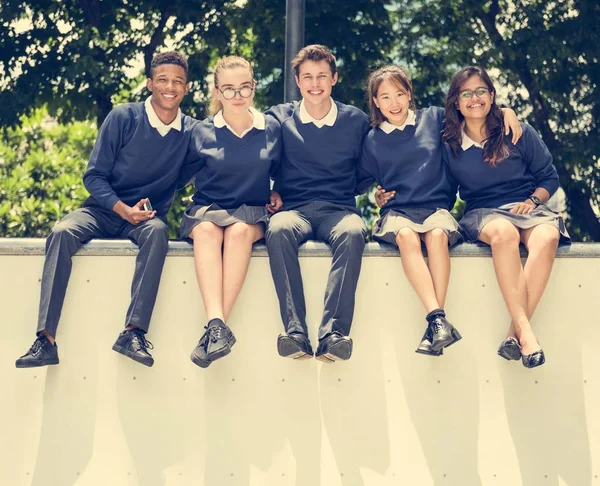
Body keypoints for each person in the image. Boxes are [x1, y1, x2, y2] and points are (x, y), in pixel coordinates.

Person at [15, 51, 200, 368]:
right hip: (101, 210)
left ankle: (133, 333)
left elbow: (196, 174)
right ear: (149, 84)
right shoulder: (123, 117)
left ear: (186, 88)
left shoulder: (192, 131)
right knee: (61, 233)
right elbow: (94, 175)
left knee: (158, 235)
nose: (170, 87)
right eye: (163, 80)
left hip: (145, 218)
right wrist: (121, 208)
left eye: (178, 82)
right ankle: (44, 340)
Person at [365, 65, 522, 357]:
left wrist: (506, 111)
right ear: (375, 102)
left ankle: (435, 325)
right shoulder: (372, 139)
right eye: (385, 97)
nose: (394, 103)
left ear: (410, 93)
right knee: (408, 238)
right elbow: (362, 179)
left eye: (400, 94)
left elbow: (472, 112)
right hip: (398, 212)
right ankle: (437, 318)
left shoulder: (434, 119)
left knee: (437, 235)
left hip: (436, 208)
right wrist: (375, 194)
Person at [442, 66, 569, 369]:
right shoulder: (450, 143)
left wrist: (532, 200)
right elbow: (444, 190)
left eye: (481, 91)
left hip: (527, 207)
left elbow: (549, 178)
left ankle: (515, 335)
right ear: (456, 102)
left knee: (548, 236)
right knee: (504, 234)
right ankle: (525, 331)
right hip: (483, 213)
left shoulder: (518, 131)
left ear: (492, 96)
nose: (474, 98)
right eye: (466, 93)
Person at [265, 44, 372, 362]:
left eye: (322, 76)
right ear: (297, 81)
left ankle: (334, 334)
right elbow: (259, 160)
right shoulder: (279, 118)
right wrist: (267, 193)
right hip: (293, 209)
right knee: (278, 227)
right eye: (308, 77)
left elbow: (368, 169)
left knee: (354, 231)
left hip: (338, 210)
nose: (315, 83)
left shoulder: (356, 121)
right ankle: (295, 332)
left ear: (334, 78)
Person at [181, 56, 282, 368]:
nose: (237, 96)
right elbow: (175, 176)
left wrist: (278, 191)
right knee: (208, 231)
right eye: (228, 89)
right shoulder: (201, 132)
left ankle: (215, 328)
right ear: (216, 93)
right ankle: (217, 326)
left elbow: (284, 173)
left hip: (252, 212)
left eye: (244, 87)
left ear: (253, 87)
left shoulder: (272, 129)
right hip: (208, 211)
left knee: (238, 232)